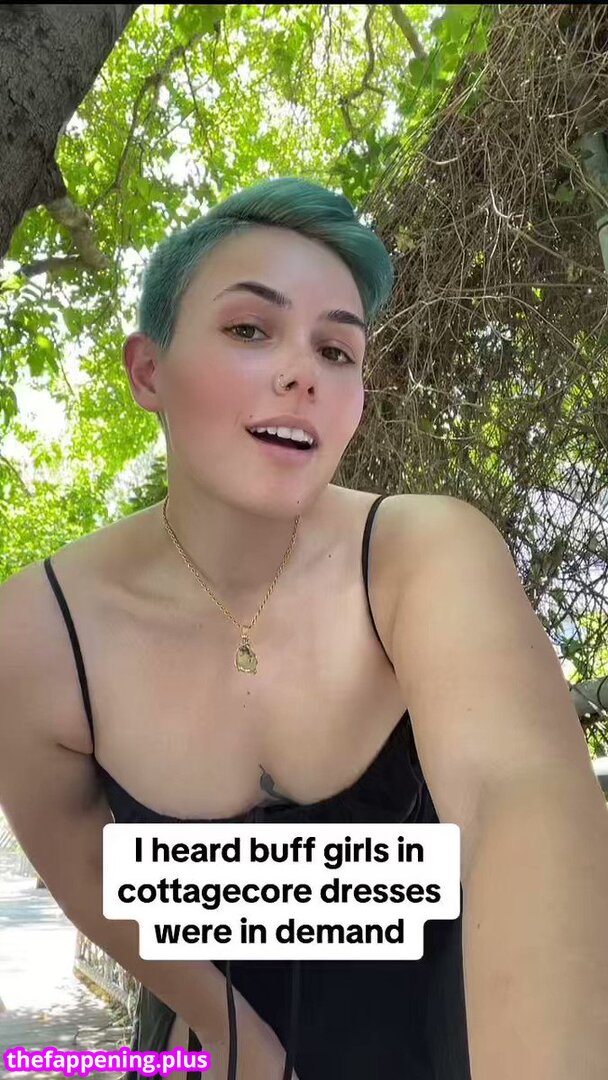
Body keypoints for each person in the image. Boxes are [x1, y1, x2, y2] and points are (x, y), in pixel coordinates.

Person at [10, 173, 595, 1080]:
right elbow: (81, 860)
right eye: (251, 329)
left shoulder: (424, 553)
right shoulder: (37, 632)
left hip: (455, 1031)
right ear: (149, 370)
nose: (303, 373)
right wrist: (235, 1035)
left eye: (336, 349)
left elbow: (516, 793)